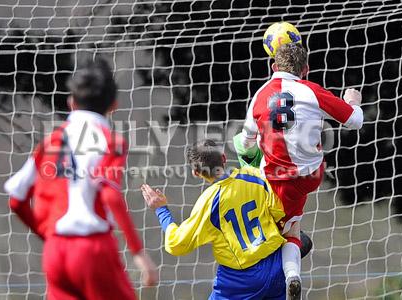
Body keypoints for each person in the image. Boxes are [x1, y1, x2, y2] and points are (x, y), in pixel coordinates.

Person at [4, 59, 157, 300]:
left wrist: (47, 236)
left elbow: (16, 200)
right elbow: (109, 195)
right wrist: (138, 253)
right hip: (92, 249)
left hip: (55, 253)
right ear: (114, 105)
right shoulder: (110, 141)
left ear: (71, 102)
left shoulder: (50, 142)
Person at [234, 42, 364, 299]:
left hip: (272, 179)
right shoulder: (312, 91)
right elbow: (355, 121)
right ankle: (291, 275)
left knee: (285, 232)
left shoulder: (260, 94)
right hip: (309, 176)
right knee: (291, 225)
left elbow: (246, 141)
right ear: (305, 69)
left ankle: (277, 275)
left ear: (273, 66)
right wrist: (352, 101)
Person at [142, 139, 288, 300]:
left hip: (239, 279)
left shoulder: (208, 203)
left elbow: (176, 244)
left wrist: (161, 210)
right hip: (276, 264)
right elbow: (279, 211)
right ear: (224, 158)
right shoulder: (254, 176)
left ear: (195, 173)